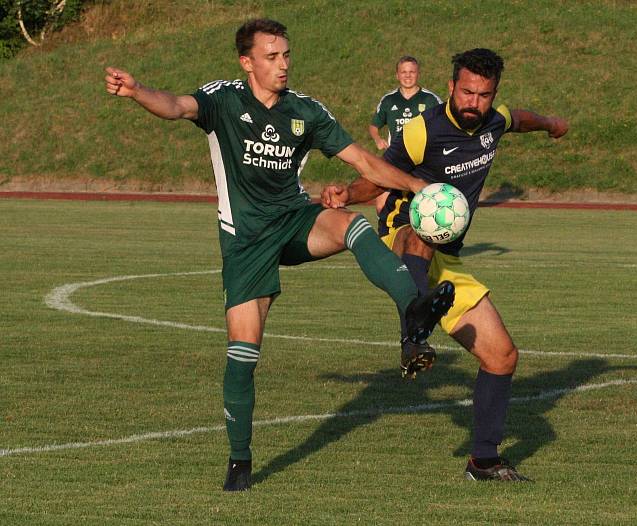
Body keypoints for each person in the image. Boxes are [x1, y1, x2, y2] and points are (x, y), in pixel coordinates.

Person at [104, 18, 455, 492]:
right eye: (272, 57)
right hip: (246, 240)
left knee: (350, 222)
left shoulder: (305, 111)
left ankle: (413, 311)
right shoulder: (224, 99)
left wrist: (416, 185)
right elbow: (177, 105)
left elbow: (363, 161)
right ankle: (239, 461)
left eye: (286, 54)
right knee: (243, 353)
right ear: (247, 62)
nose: (283, 64)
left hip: (293, 220)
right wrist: (138, 90)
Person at [322, 48, 569, 482]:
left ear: (494, 95)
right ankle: (414, 331)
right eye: (466, 91)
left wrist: (549, 125)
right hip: (401, 234)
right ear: (452, 86)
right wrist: (347, 194)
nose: (473, 102)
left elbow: (520, 118)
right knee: (422, 230)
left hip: (447, 259)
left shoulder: (495, 120)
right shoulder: (423, 130)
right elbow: (379, 174)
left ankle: (484, 461)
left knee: (502, 356)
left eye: (483, 95)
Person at [368, 56, 442, 213]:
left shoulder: (430, 100)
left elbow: (444, 126)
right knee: (381, 202)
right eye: (404, 72)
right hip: (396, 158)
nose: (408, 76)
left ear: (418, 74)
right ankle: (384, 235)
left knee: (425, 205)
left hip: (423, 160)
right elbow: (374, 126)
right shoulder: (388, 100)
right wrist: (378, 139)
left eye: (412, 72)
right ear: (397, 75)